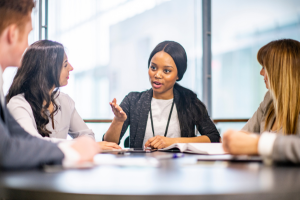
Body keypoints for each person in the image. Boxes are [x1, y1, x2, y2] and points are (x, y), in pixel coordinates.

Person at [0, 0, 100, 169]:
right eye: (27, 35)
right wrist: (72, 151)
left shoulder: (64, 100)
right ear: (13, 34)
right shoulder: (18, 102)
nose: (27, 46)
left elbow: (23, 138)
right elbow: (6, 150)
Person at [6, 40, 121, 150]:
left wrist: (84, 145)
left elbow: (88, 136)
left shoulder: (64, 101)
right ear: (48, 69)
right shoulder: (18, 104)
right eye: (65, 64)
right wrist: (79, 146)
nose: (71, 68)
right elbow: (32, 143)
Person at [104, 41, 220, 149]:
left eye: (166, 71)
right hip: (141, 168)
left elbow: (214, 138)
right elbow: (108, 144)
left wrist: (173, 142)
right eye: (153, 67)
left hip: (179, 168)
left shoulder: (189, 101)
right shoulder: (133, 100)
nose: (157, 75)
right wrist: (118, 121)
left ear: (178, 75)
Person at [223, 39, 300, 163]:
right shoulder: (270, 99)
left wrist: (259, 144)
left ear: (279, 71)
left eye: (265, 67)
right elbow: (244, 134)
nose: (261, 72)